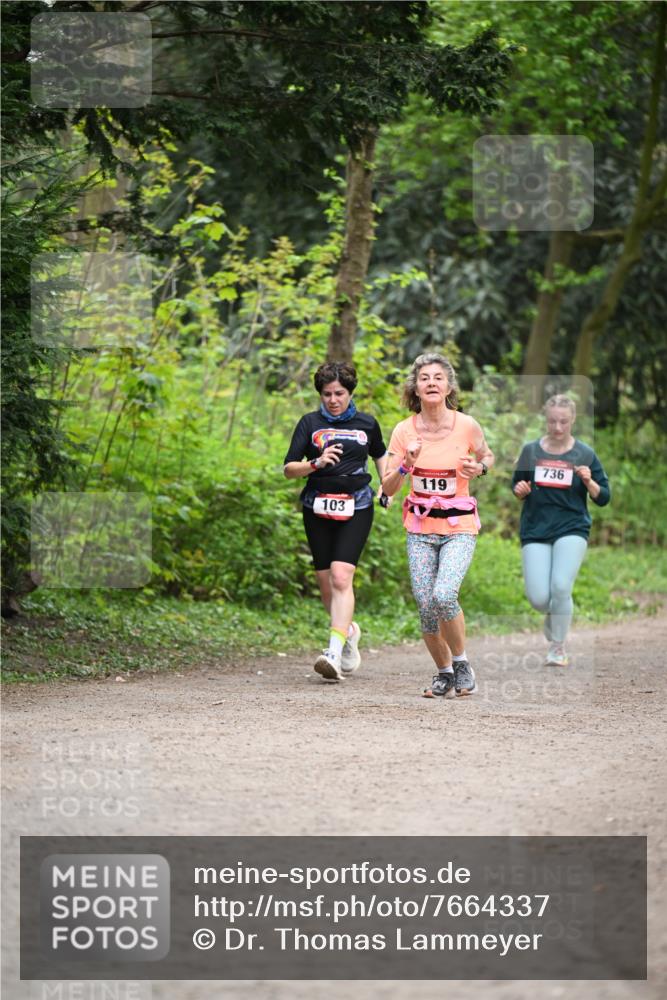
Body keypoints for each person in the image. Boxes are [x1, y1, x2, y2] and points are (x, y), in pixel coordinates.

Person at [382, 353, 494, 699]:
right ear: (415, 388)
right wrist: (407, 465)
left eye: (438, 377)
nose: (431, 382)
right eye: (424, 378)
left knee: (444, 595)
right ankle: (444, 674)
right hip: (419, 529)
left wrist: (481, 468)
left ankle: (461, 663)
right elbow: (386, 487)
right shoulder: (403, 431)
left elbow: (487, 456)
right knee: (426, 604)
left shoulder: (467, 425)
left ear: (448, 387)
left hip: (459, 526)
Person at [284, 362, 388, 682]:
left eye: (339, 393)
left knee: (343, 577)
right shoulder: (309, 423)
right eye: (327, 394)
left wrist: (387, 485)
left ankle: (332, 650)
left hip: (357, 505)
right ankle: (349, 632)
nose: (333, 399)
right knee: (327, 585)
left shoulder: (367, 423)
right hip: (316, 505)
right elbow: (289, 468)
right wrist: (316, 463)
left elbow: (380, 453)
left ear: (350, 392)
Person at [511, 394, 610, 666]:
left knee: (561, 586)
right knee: (540, 599)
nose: (557, 428)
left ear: (573, 420)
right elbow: (517, 485)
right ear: (546, 418)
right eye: (552, 421)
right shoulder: (531, 451)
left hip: (572, 527)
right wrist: (520, 490)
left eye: (563, 422)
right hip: (536, 528)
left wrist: (589, 482)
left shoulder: (584, 454)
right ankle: (555, 617)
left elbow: (604, 497)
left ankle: (558, 647)